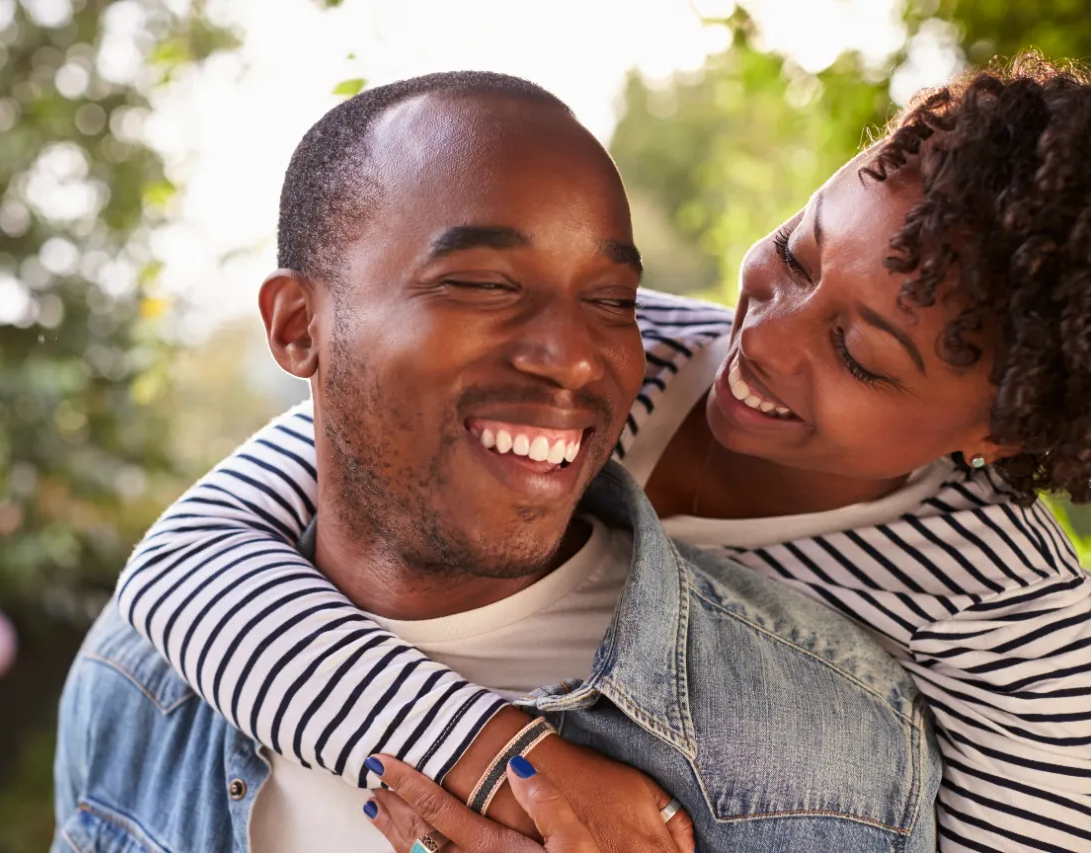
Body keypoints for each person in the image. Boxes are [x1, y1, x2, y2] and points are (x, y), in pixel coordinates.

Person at [115, 53, 1091, 853]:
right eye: (796, 253)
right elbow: (188, 562)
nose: (769, 338)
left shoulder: (1020, 642)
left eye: (858, 355)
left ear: (993, 430)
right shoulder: (612, 358)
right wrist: (497, 757)